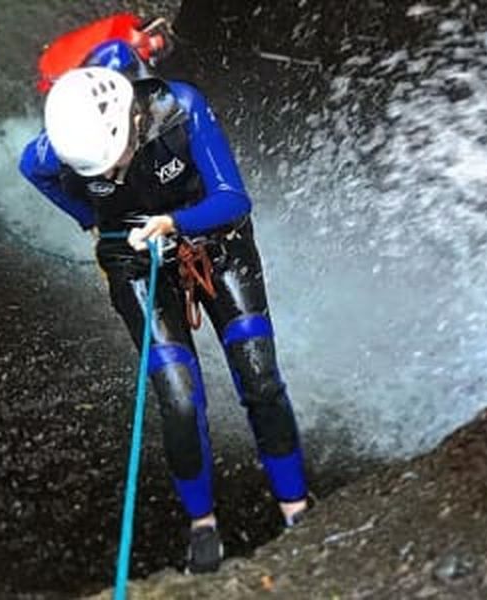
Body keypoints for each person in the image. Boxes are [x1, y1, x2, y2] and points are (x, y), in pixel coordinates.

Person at [19, 31, 309, 574]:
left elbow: (232, 198)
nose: (107, 175)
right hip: (133, 259)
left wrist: (175, 223)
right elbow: (30, 168)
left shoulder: (180, 110)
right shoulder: (61, 146)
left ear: (131, 120)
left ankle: (295, 508)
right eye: (95, 172)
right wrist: (93, 219)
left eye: (110, 162)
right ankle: (203, 525)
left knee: (260, 378)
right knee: (177, 397)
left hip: (214, 244)